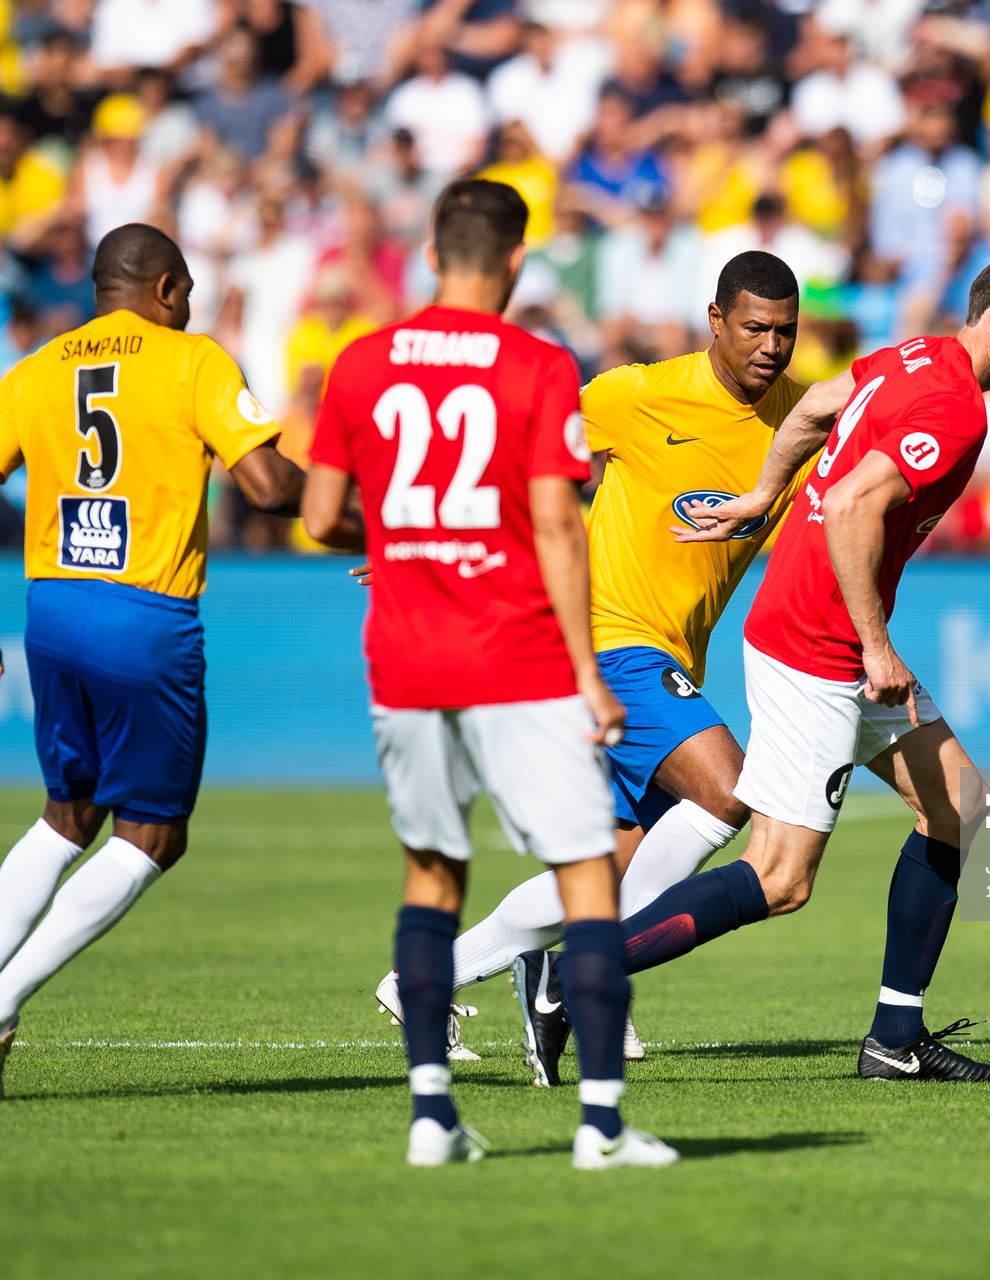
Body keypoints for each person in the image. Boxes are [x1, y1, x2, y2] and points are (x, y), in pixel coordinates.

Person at [513, 247, 990, 1086]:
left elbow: (819, 407)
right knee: (780, 879)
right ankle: (574, 972)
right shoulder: (956, 408)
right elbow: (854, 504)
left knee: (957, 804)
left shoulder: (916, 356)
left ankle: (895, 1038)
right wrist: (876, 644)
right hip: (819, 647)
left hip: (825, 631)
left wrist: (757, 498)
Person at [370, 251, 845, 1076]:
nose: (772, 346)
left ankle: (429, 979)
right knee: (732, 791)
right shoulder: (640, 394)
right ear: (716, 322)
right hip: (604, 637)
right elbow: (521, 446)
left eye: (787, 331)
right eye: (756, 328)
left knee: (605, 867)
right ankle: (588, 973)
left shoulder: (800, 417)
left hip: (670, 651)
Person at [299, 179, 675, 1171]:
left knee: (433, 872)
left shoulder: (361, 361)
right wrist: (591, 674)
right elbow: (556, 520)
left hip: (407, 654)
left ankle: (433, 1114)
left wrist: (414, 533)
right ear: (514, 262)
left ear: (431, 251)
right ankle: (599, 1126)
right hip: (516, 655)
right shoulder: (540, 366)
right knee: (588, 874)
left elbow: (321, 511)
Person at [0, 224, 305, 1100]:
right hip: (145, 613)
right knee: (154, 834)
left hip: (51, 607)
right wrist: (368, 511)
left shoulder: (35, 369)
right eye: (190, 288)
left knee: (67, 812)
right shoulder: (192, 359)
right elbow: (271, 489)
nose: (192, 303)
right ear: (165, 288)